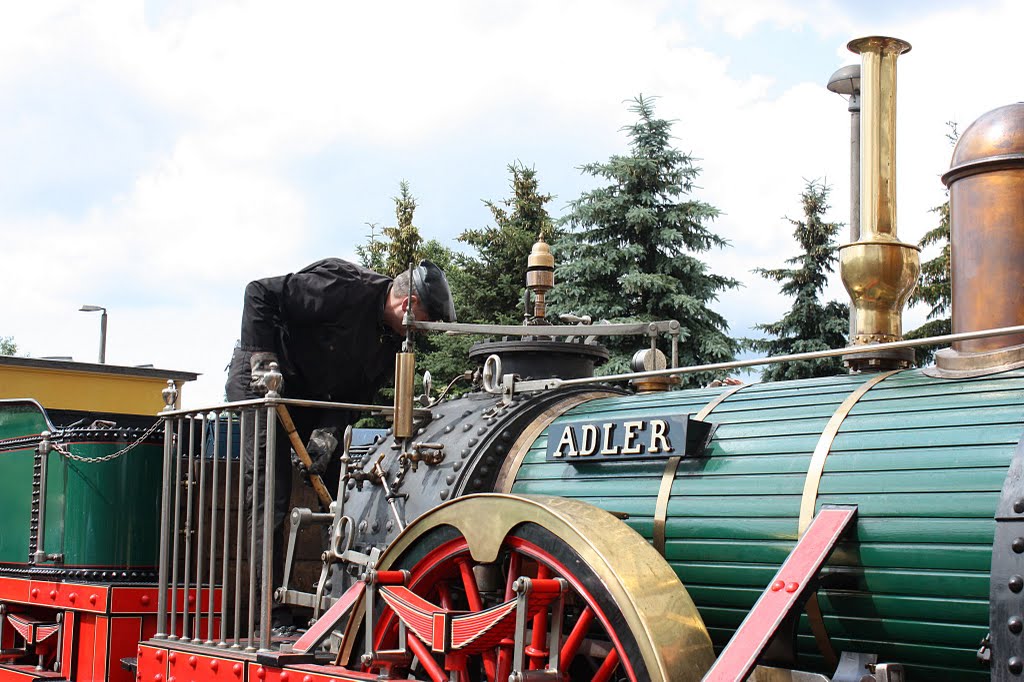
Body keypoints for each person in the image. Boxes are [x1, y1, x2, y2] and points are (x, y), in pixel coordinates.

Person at [225, 258, 456, 631]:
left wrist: (328, 435)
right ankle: (265, 617)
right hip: (265, 384)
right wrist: (263, 360)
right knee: (272, 497)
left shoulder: (392, 343)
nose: (422, 333)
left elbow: (354, 394)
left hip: (316, 402)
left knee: (344, 497)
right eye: (424, 321)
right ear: (409, 303)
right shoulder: (344, 286)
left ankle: (341, 605)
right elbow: (259, 293)